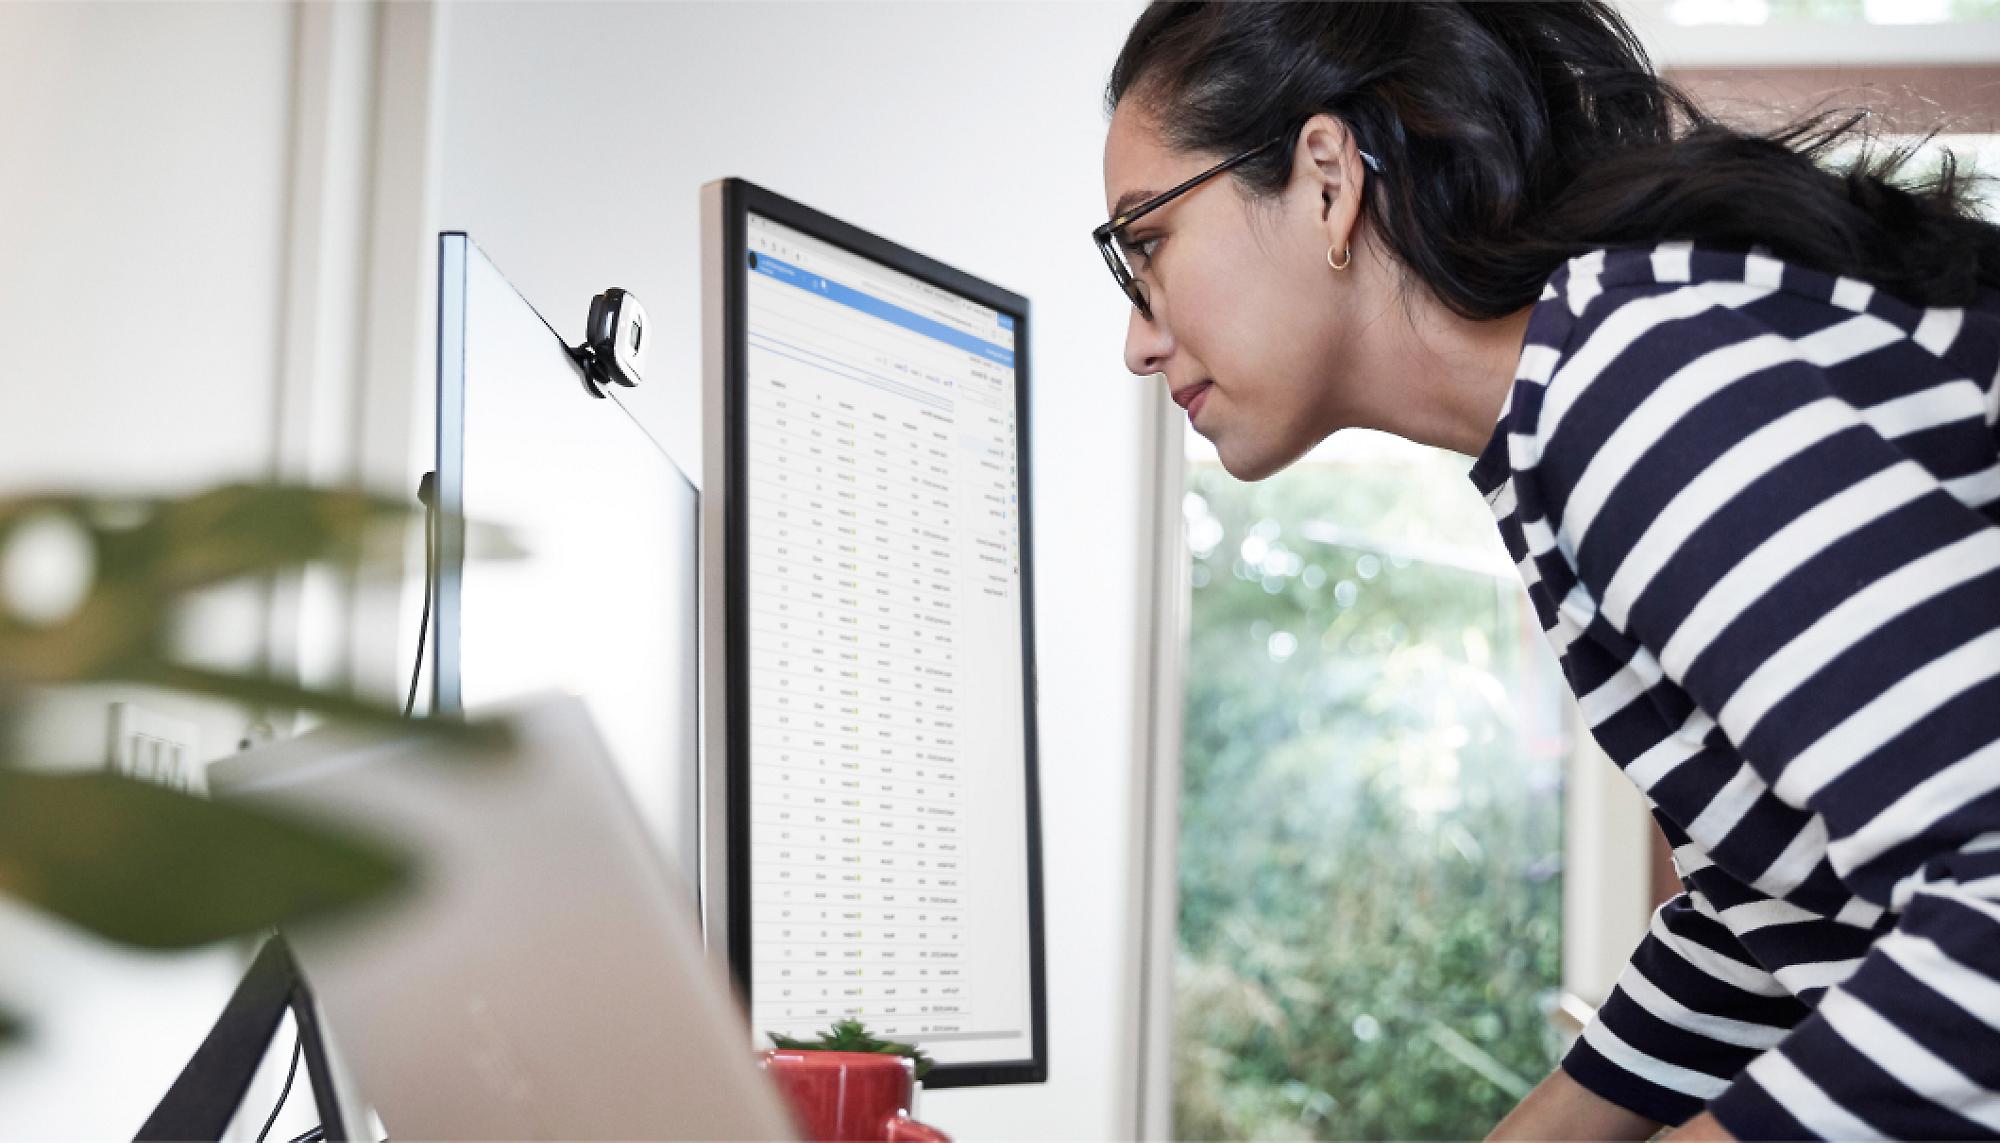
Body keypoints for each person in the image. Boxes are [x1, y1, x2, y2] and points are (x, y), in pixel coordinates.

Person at [1095, 2, 2000, 1139]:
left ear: (1325, 179)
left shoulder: (1639, 382)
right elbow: (1769, 911)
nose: (1135, 335)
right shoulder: (1575, 405)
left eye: (1146, 242)